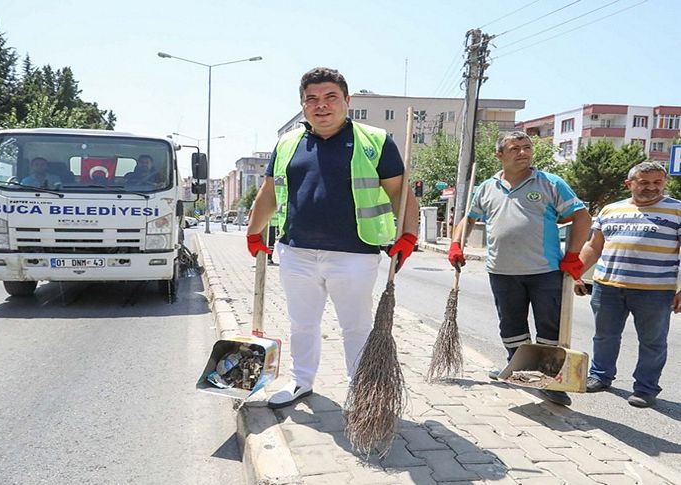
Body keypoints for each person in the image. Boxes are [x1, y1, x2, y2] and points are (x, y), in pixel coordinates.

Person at [246, 67, 420, 409]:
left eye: (330, 97)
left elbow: (402, 195)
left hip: (354, 254)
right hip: (296, 252)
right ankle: (300, 381)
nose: (321, 105)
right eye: (312, 99)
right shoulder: (287, 143)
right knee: (302, 323)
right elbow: (269, 193)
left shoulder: (376, 141)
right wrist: (254, 232)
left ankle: (360, 388)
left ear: (346, 101)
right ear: (303, 105)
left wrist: (409, 235)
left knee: (355, 326)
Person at [448, 130, 591, 406]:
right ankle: (518, 369)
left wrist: (573, 255)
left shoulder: (550, 183)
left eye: (527, 147)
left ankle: (551, 381)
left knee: (550, 328)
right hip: (501, 271)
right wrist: (456, 244)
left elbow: (581, 217)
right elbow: (468, 219)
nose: (523, 153)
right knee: (511, 325)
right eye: (515, 148)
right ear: (499, 155)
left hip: (545, 271)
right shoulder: (486, 188)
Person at [575, 162, 681, 408]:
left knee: (653, 341)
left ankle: (645, 388)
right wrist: (576, 273)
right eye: (644, 182)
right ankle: (600, 376)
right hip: (607, 287)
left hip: (655, 290)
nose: (651, 187)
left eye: (657, 182)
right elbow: (593, 246)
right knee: (605, 336)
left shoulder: (677, 210)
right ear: (629, 184)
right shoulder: (611, 209)